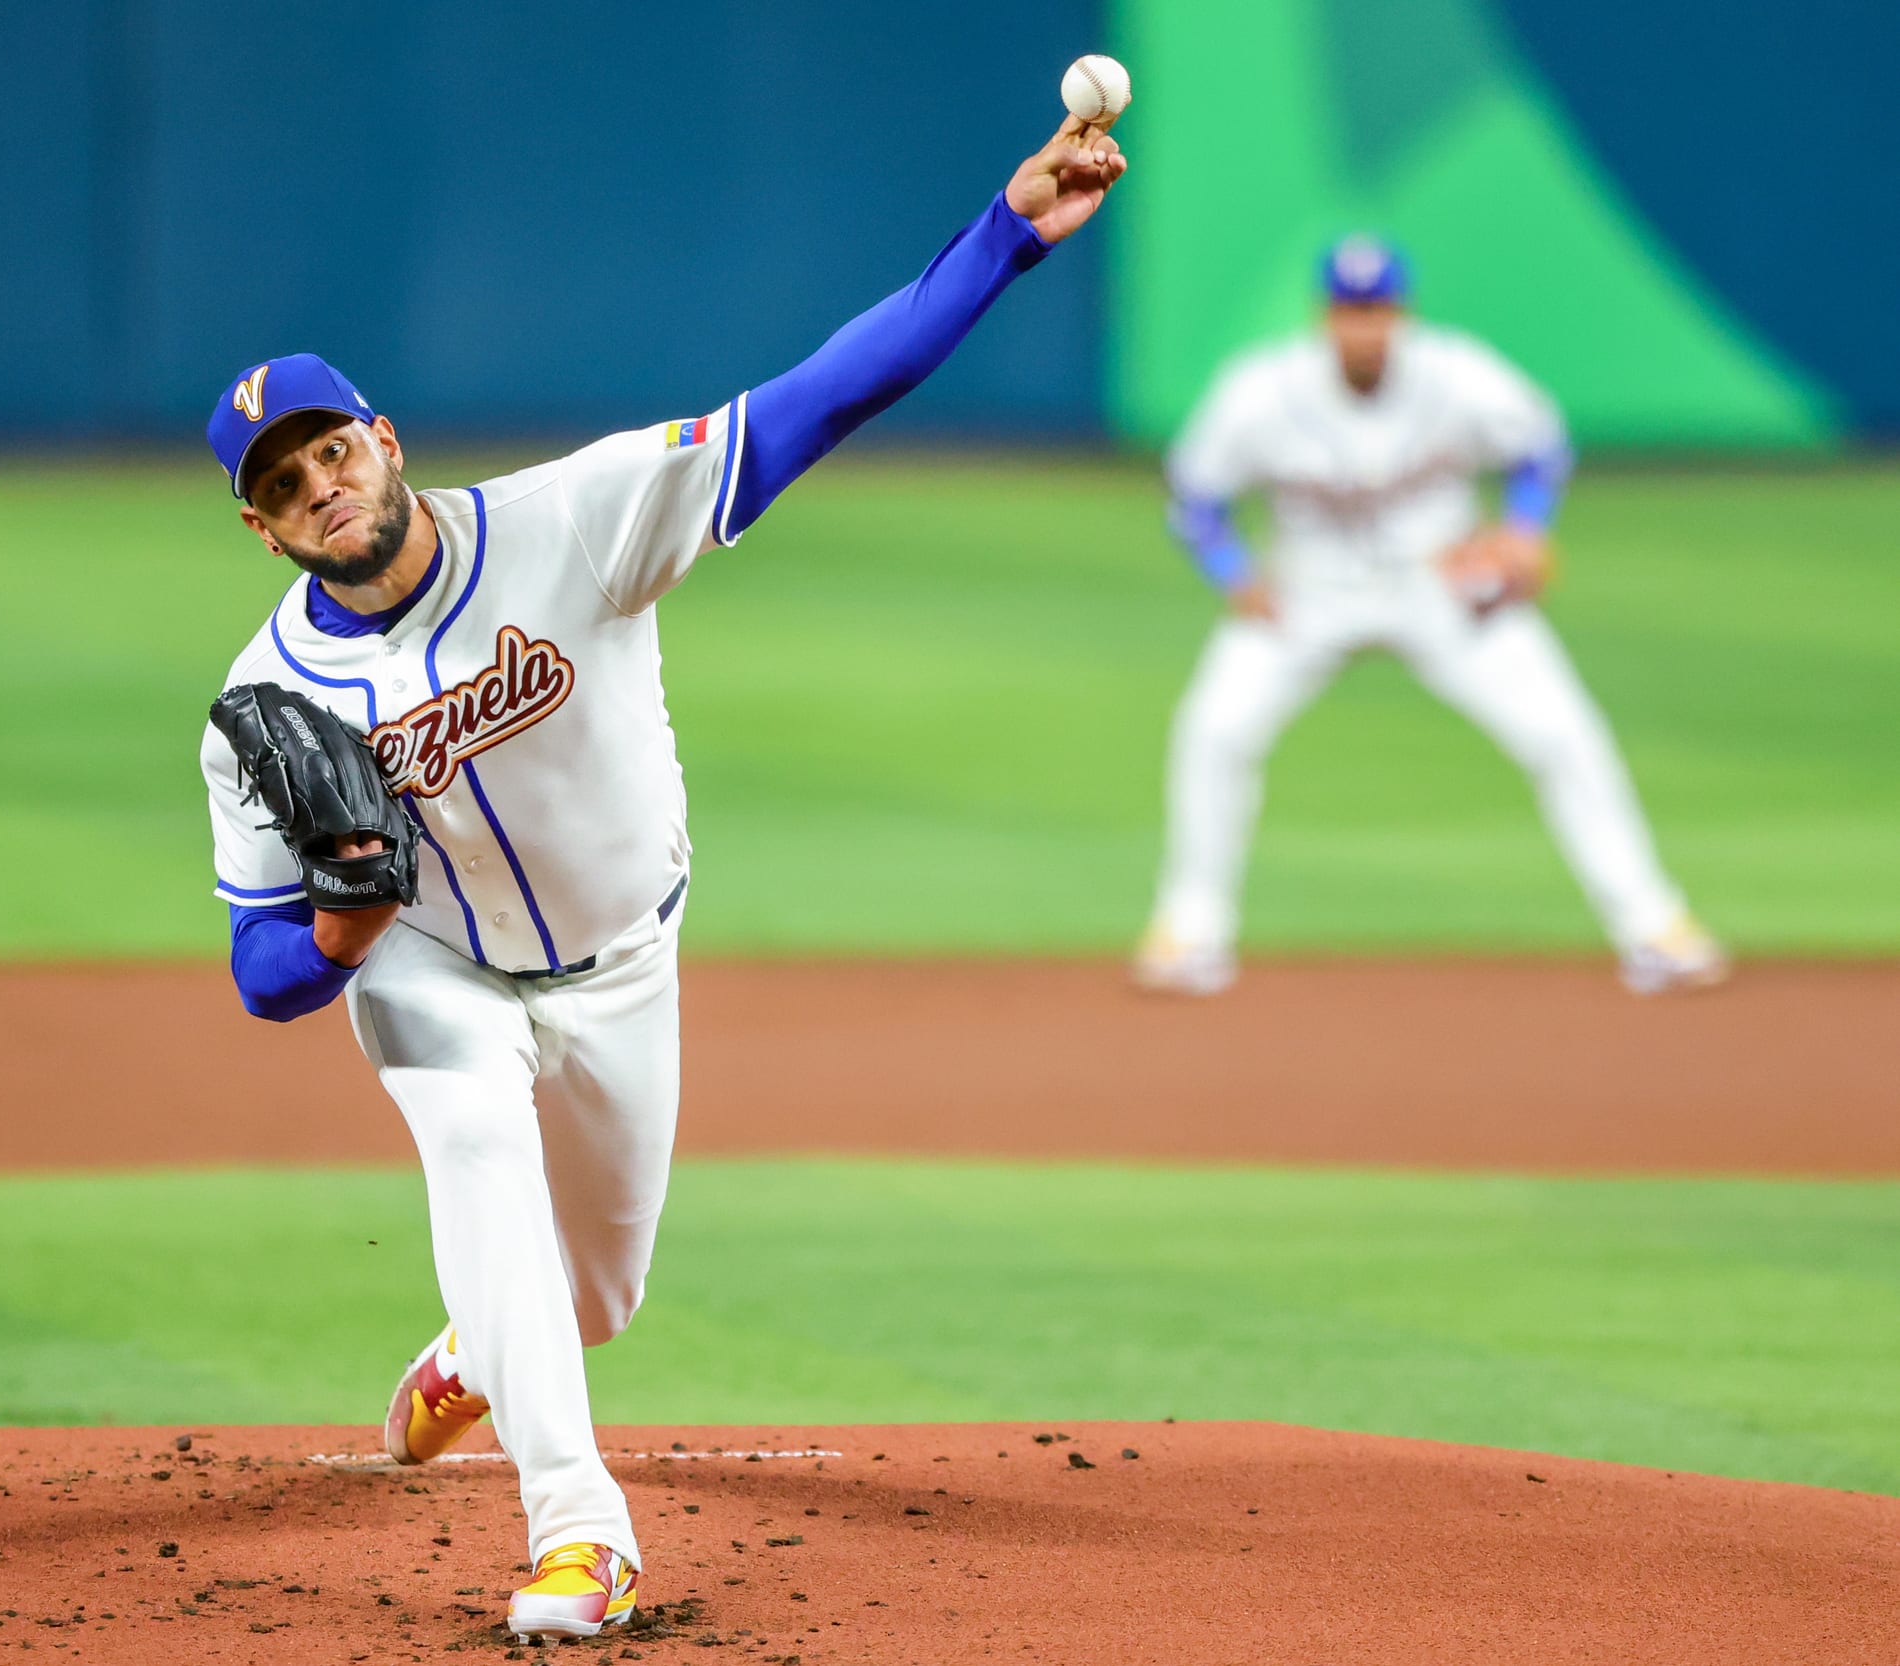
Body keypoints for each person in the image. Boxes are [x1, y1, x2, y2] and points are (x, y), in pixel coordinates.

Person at [197, 118, 1128, 1642]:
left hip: (625, 957)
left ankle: (475, 1358)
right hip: (434, 967)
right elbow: (260, 975)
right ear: (260, 522)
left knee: (597, 1295)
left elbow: (836, 390)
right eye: (283, 480)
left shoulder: (573, 518)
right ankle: (580, 1529)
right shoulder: (261, 704)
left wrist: (1008, 233)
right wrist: (349, 925)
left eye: (330, 446)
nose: (319, 484)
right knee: (479, 1140)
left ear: (384, 437)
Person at [1134, 237, 1727, 997]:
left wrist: (1523, 529)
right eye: (1350, 310)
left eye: (1377, 308)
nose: (1364, 326)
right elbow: (1194, 495)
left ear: (1401, 312)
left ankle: (1653, 926)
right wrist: (1233, 573)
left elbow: (1541, 447)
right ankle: (1189, 932)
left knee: (1561, 731)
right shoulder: (1262, 391)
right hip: (1308, 589)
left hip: (1441, 585)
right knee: (1214, 730)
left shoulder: (1458, 374)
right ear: (1325, 316)